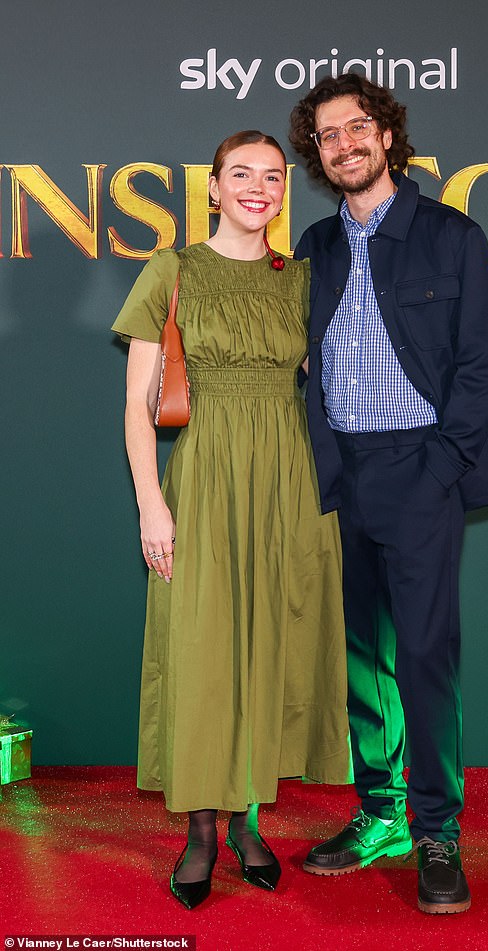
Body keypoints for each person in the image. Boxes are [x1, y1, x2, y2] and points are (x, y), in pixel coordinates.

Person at [289, 74, 488, 914]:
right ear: (316, 153)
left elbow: (486, 364)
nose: (343, 145)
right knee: (360, 657)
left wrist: (439, 468)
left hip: (423, 468)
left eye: (357, 129)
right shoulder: (311, 246)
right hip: (339, 471)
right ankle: (378, 812)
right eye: (326, 135)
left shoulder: (450, 234)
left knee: (423, 656)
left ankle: (435, 831)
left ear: (386, 135)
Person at [111, 130, 350, 910]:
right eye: (240, 175)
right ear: (212, 188)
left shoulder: (304, 278)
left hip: (288, 482)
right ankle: (203, 830)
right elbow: (139, 408)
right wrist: (153, 502)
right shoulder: (172, 272)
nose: (258, 187)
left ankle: (250, 821)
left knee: (269, 644)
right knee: (206, 649)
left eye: (273, 176)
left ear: (286, 190)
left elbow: (331, 381)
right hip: (206, 480)